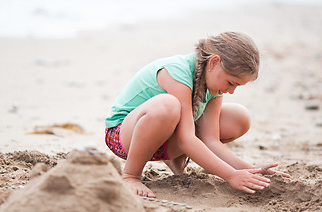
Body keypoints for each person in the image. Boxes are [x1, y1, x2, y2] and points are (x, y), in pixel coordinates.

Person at [105, 31, 291, 198]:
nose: (231, 91)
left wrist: (250, 170)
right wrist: (230, 175)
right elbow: (187, 138)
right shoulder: (177, 72)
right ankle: (131, 175)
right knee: (167, 105)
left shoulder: (213, 85)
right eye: (231, 83)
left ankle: (173, 159)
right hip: (124, 137)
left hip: (162, 139)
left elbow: (211, 141)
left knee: (238, 117)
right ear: (214, 62)